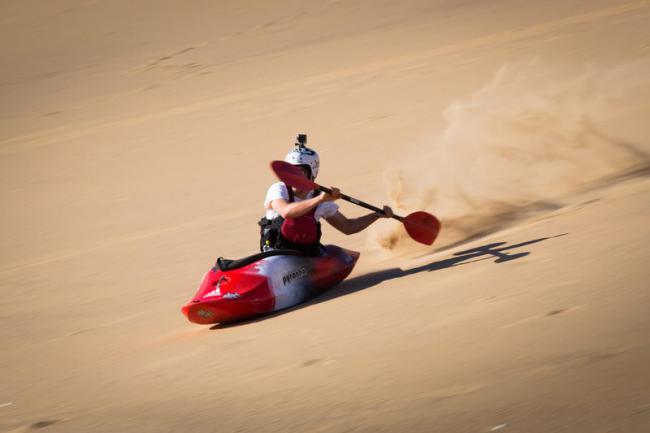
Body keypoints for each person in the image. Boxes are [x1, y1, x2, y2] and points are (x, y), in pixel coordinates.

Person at [259, 135, 393, 256]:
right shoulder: (279, 189)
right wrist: (320, 199)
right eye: (291, 171)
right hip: (276, 253)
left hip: (304, 255)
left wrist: (376, 215)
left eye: (300, 172)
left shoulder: (321, 197)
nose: (294, 177)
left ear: (312, 173)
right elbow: (286, 212)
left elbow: (348, 227)